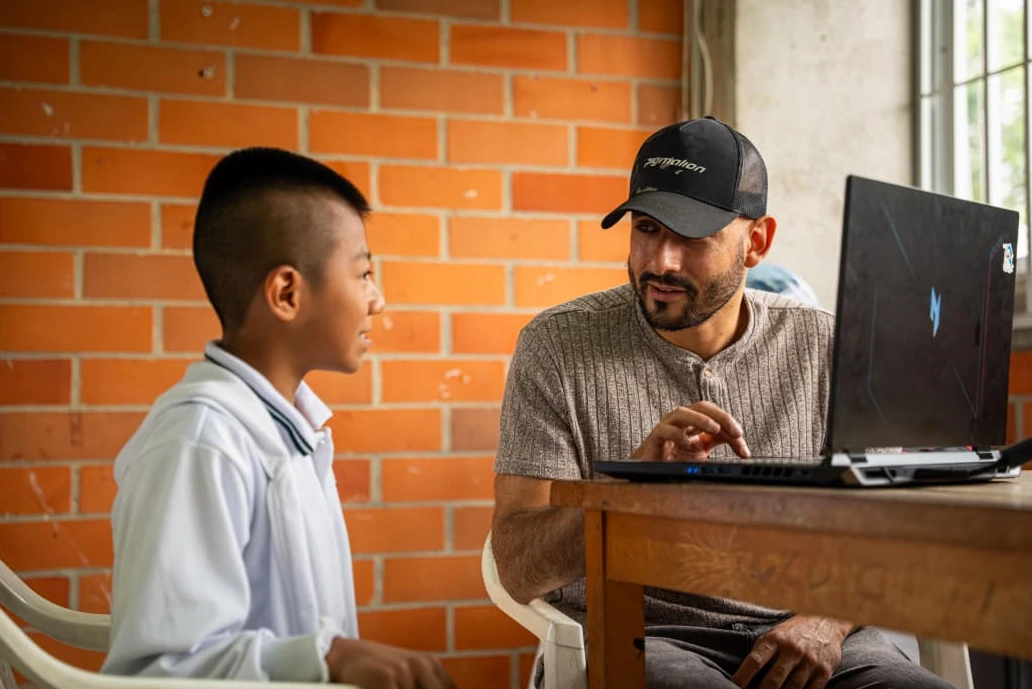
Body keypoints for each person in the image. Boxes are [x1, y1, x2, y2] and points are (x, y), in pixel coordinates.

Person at [490, 117, 952, 689]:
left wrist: (826, 624)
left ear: (756, 242)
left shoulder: (828, 346)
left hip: (818, 639)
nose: (662, 262)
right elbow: (516, 566)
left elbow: (892, 529)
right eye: (647, 229)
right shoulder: (557, 347)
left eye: (692, 237)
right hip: (645, 641)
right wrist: (623, 497)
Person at [101, 148, 455, 689]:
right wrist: (328, 660)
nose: (377, 300)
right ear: (287, 292)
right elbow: (158, 673)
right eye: (362, 273)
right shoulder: (201, 441)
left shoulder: (286, 428)